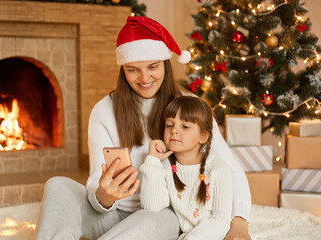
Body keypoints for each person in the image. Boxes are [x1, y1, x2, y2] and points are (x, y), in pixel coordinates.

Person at [34, 16, 252, 240]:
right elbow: (95, 188)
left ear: (165, 64)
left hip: (158, 216)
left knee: (149, 216)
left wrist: (239, 226)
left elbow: (231, 169)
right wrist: (104, 196)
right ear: (123, 70)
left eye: (153, 67)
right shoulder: (104, 110)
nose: (144, 78)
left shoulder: (189, 108)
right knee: (57, 185)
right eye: (132, 70)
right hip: (110, 215)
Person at [140, 96, 233, 240]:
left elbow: (220, 221)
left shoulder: (218, 169)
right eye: (169, 125)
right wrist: (152, 160)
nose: (174, 131)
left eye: (185, 126)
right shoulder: (165, 167)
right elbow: (152, 207)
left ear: (203, 136)